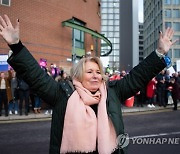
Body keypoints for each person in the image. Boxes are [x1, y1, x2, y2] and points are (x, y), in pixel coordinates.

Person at [0, 14, 177, 154]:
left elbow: (138, 76)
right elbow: (36, 76)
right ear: (78, 75)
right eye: (90, 72)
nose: (95, 76)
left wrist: (160, 52)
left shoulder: (113, 92)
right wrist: (16, 46)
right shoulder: (63, 94)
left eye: (98, 72)